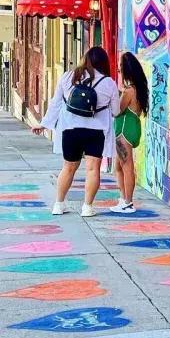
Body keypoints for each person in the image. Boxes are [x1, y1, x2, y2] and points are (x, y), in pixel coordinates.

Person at [32, 47, 120, 217]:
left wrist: (43, 124)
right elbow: (115, 112)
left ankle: (58, 204)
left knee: (68, 167)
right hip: (95, 132)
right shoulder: (109, 83)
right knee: (93, 169)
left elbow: (56, 103)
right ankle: (87, 207)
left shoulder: (68, 77)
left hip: (70, 130)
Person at [111, 52, 149, 213]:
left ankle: (128, 201)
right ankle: (123, 198)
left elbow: (117, 111)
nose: (119, 70)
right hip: (133, 127)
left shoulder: (128, 91)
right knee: (118, 167)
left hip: (124, 130)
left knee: (126, 167)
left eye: (120, 68)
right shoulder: (139, 88)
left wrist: (115, 97)